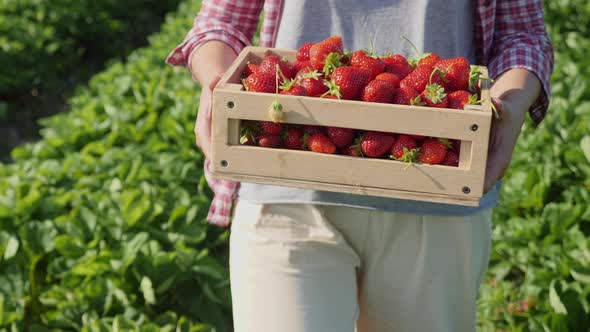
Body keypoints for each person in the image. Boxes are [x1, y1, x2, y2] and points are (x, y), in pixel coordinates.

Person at [167, 1, 553, 331]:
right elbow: (223, 20)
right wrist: (216, 82)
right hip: (285, 183)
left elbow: (522, 35)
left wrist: (510, 106)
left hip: (437, 195)